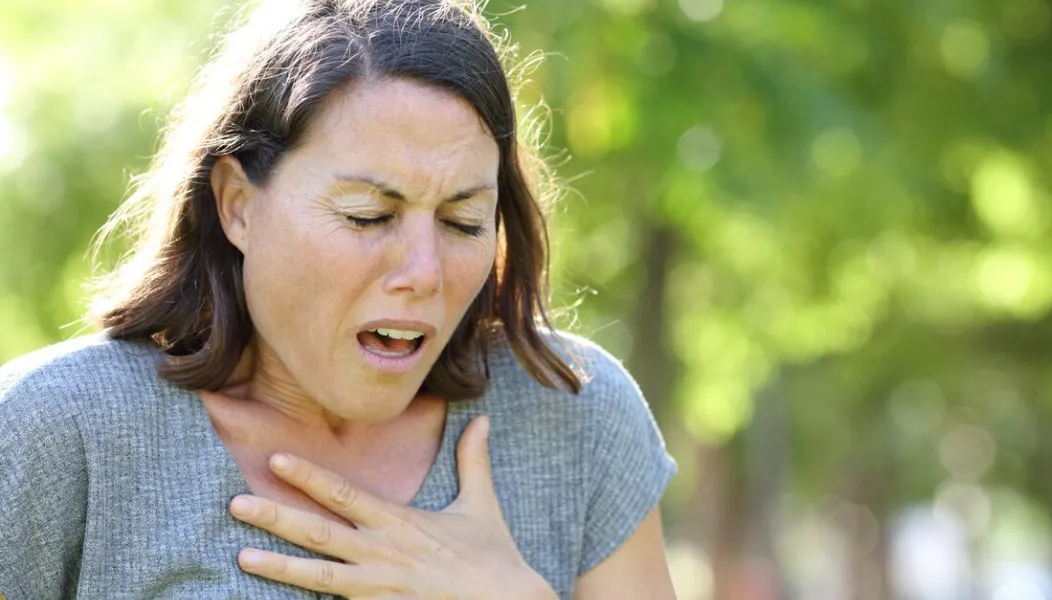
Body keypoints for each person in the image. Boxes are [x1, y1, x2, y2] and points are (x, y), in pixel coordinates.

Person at [0, 0, 677, 598]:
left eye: (463, 222)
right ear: (238, 205)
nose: (424, 271)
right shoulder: (55, 433)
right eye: (366, 216)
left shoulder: (575, 414)